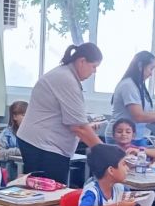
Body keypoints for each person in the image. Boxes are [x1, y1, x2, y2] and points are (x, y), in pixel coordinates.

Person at [16, 43, 104, 184]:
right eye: (93, 66)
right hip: (42, 145)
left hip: (45, 143)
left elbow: (75, 120)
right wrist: (105, 152)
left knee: (52, 190)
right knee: (49, 191)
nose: (94, 72)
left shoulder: (66, 75)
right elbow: (78, 127)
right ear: (82, 61)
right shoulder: (66, 78)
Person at [105, 51, 155, 145]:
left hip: (136, 136)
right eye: (151, 68)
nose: (151, 74)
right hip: (121, 137)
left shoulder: (139, 86)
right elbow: (139, 116)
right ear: (140, 66)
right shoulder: (128, 85)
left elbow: (144, 117)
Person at [0, 100, 27, 181]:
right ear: (15, 117)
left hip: (26, 174)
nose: (27, 118)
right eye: (24, 115)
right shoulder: (6, 134)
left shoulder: (30, 133)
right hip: (10, 176)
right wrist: (17, 151)